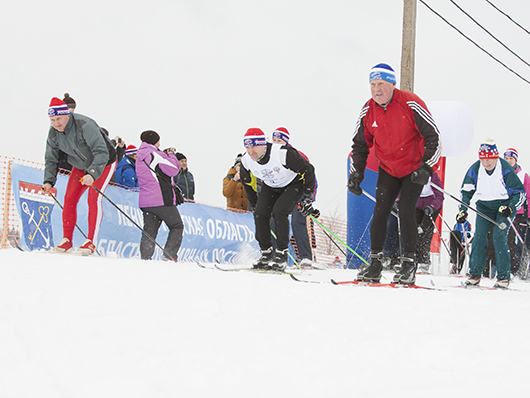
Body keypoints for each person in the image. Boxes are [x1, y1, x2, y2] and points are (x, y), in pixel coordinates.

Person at [349, 63, 441, 284]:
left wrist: (426, 168)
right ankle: (375, 263)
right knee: (380, 211)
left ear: (392, 84)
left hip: (413, 168)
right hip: (388, 168)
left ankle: (409, 264)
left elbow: (434, 137)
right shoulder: (368, 109)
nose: (376, 89)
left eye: (381, 84)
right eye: (372, 84)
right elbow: (360, 145)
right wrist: (356, 174)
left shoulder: (410, 102)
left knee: (407, 211)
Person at [42, 97, 117, 254]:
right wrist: (48, 181)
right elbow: (51, 158)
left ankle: (90, 242)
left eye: (59, 119)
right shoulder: (54, 133)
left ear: (67, 115)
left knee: (93, 198)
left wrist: (93, 173)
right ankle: (66, 241)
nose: (56, 123)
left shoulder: (84, 125)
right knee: (69, 199)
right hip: (80, 165)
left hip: (104, 162)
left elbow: (101, 151)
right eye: (52, 120)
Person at [240, 128, 316, 270]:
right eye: (247, 147)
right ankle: (266, 253)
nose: (251, 152)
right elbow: (246, 182)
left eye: (254, 147)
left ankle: (281, 254)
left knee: (279, 211)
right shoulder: (246, 160)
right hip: (271, 185)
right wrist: (255, 203)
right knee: (260, 214)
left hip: (294, 184)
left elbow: (308, 170)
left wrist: (307, 197)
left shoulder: (282, 153)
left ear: (263, 144)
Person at [458, 139, 526, 289]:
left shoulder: (505, 168)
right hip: (483, 206)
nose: (486, 162)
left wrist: (511, 208)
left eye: (489, 159)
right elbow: (466, 192)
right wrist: (463, 211)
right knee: (479, 238)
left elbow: (520, 193)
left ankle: (503, 277)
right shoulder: (476, 168)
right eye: (483, 159)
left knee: (499, 237)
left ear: (496, 157)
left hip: (503, 207)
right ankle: (475, 274)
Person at [271, 127, 319, 267]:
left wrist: (309, 199)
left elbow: (311, 178)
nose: (276, 143)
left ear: (285, 141)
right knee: (274, 222)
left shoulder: (296, 155)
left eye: (279, 140)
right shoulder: (272, 157)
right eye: (274, 140)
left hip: (299, 194)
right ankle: (276, 256)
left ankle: (305, 257)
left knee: (297, 222)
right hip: (283, 195)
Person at [136, 130, 184, 261]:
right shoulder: (155, 154)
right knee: (177, 226)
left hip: (146, 201)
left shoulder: (140, 155)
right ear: (155, 141)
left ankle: (146, 258)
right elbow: (173, 169)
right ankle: (169, 256)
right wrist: (171, 155)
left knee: (149, 231)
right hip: (161, 199)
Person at [503, 148, 530, 275]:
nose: (509, 161)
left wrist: (527, 214)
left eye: (511, 159)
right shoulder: (500, 173)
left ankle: (514, 268)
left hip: (518, 212)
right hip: (503, 210)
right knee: (499, 239)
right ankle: (498, 266)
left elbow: (527, 196)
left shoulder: (522, 175)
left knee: (512, 239)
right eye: (506, 159)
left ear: (516, 160)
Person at [415, 171, 444, 272]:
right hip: (417, 204)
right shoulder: (411, 172)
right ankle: (411, 260)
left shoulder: (432, 175)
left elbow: (440, 195)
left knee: (424, 230)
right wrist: (398, 199)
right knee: (413, 230)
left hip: (431, 205)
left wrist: (432, 207)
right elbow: (403, 190)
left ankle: (424, 261)